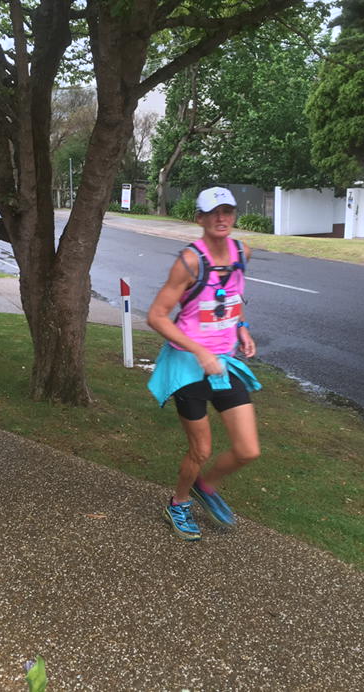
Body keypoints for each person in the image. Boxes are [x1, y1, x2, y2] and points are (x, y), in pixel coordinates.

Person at [147, 187, 262, 541]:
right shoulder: (189, 261)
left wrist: (241, 327)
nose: (221, 218)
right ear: (199, 218)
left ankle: (204, 486)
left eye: (227, 211)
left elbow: (233, 295)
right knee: (201, 449)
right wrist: (200, 351)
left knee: (248, 450)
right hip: (188, 366)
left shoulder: (242, 252)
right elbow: (157, 316)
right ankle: (178, 503)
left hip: (223, 364)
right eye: (213, 213)